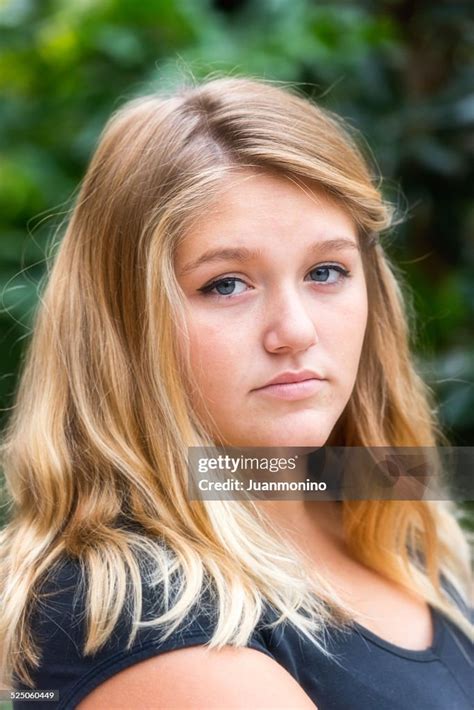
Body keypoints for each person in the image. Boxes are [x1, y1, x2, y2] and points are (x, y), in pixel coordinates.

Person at [0, 77, 471, 710]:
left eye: (325, 272)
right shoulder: (141, 611)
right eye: (226, 285)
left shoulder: (382, 500)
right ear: (125, 325)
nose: (295, 332)